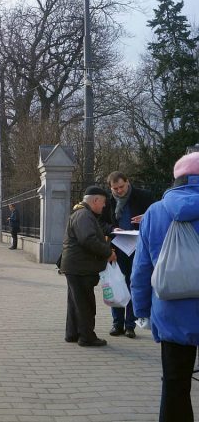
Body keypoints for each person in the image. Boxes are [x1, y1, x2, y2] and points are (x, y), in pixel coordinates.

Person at [131, 152, 199, 422]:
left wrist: (142, 309)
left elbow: (142, 268)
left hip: (171, 309)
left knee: (174, 385)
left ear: (177, 179)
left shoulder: (155, 212)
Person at [100, 171, 154, 339]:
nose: (119, 191)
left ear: (128, 182)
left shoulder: (143, 196)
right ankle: (117, 324)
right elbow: (100, 222)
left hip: (138, 247)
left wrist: (145, 219)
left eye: (121, 187)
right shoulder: (108, 201)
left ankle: (130, 325)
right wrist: (112, 229)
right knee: (116, 283)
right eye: (115, 188)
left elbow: (156, 216)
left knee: (133, 284)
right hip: (116, 247)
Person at [61, 186, 116, 347]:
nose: (104, 206)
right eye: (103, 202)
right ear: (95, 200)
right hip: (81, 267)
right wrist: (107, 252)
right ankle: (87, 337)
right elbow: (88, 240)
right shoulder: (84, 215)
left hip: (76, 266)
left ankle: (72, 333)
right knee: (85, 303)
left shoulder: (82, 214)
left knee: (76, 302)